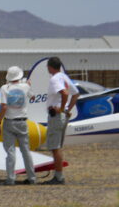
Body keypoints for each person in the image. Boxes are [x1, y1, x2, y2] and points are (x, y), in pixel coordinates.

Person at [42, 57, 79, 185]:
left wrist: (62, 109)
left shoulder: (54, 79)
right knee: (57, 146)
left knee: (54, 147)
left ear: (50, 67)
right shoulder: (64, 77)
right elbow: (75, 94)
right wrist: (68, 109)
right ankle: (58, 175)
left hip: (56, 116)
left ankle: (59, 177)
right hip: (61, 116)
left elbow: (64, 93)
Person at [0, 66, 36, 185]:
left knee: (10, 151)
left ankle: (11, 179)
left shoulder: (4, 88)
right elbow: (32, 97)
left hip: (9, 122)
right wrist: (29, 85)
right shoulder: (25, 86)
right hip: (22, 121)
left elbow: (3, 106)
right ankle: (32, 177)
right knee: (26, 151)